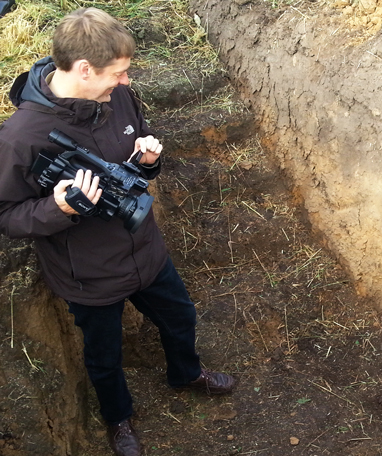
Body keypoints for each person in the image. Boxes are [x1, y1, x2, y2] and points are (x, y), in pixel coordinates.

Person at [0, 8, 236, 456]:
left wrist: (147, 159)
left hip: (145, 250)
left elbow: (139, 141)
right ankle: (119, 420)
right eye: (119, 73)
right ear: (85, 69)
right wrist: (58, 207)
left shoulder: (118, 98)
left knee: (180, 316)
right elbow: (7, 215)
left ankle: (186, 374)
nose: (126, 82)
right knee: (104, 356)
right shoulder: (20, 138)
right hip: (87, 274)